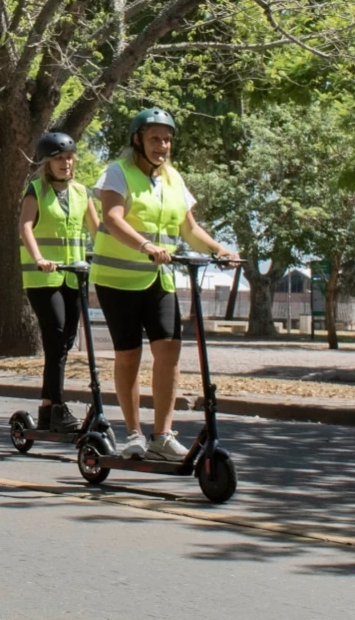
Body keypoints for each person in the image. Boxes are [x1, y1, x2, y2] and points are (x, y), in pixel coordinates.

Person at [92, 109, 236, 461]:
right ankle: (134, 434)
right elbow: (111, 219)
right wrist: (145, 245)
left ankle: (162, 434)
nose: (163, 146)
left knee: (169, 352)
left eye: (167, 139)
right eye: (155, 138)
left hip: (161, 278)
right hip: (119, 280)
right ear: (137, 139)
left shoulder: (173, 179)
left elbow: (189, 229)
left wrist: (219, 249)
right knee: (129, 356)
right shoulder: (118, 172)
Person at [19, 131, 100, 433]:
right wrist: (39, 257)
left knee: (64, 343)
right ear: (47, 164)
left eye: (68, 157)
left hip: (74, 276)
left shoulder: (82, 192)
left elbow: (98, 230)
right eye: (58, 159)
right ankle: (59, 407)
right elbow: (25, 227)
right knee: (54, 341)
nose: (65, 163)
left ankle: (45, 408)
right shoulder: (36, 191)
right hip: (44, 278)